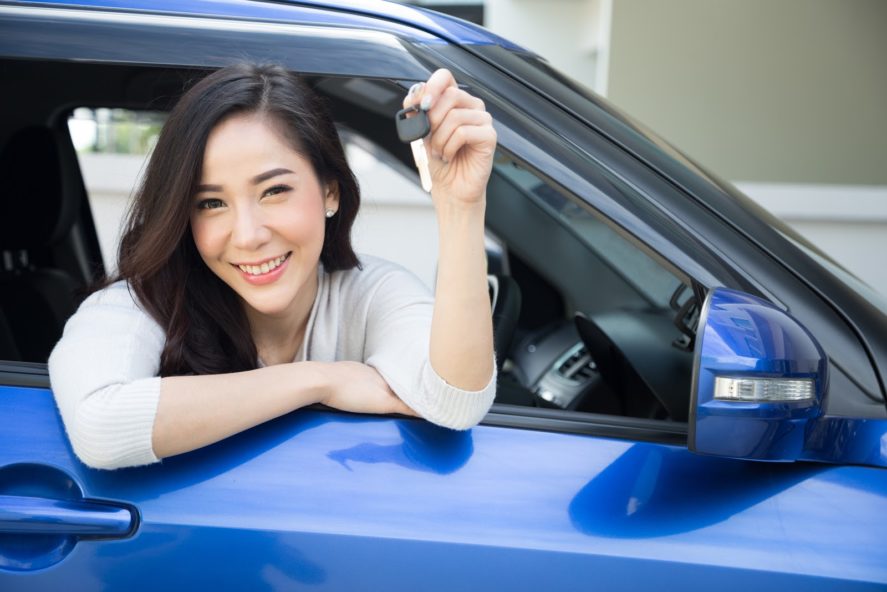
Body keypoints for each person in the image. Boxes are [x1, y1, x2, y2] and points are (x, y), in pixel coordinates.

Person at [48, 64, 497, 470]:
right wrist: (321, 380)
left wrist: (460, 205)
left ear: (330, 192)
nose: (247, 235)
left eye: (274, 191)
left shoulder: (371, 293)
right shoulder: (139, 304)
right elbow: (100, 424)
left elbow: (453, 400)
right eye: (211, 203)